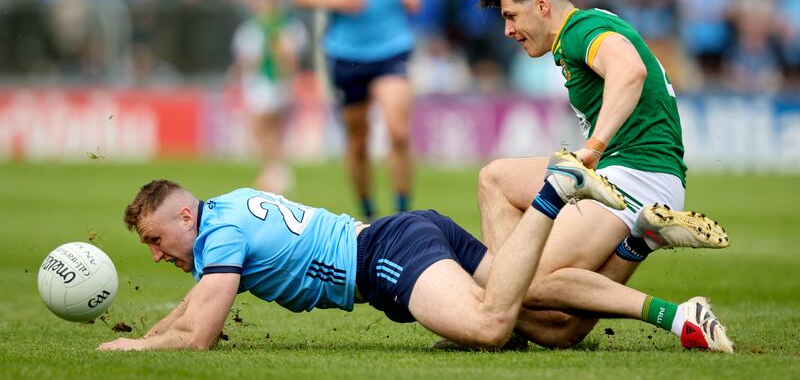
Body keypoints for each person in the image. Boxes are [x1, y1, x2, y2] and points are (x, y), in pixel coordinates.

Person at [98, 150, 652, 351]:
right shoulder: (229, 208)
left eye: (155, 241)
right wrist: (149, 336)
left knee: (490, 327)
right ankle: (637, 241)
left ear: (185, 217)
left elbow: (198, 336)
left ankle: (553, 192)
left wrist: (132, 351)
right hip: (408, 232)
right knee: (554, 327)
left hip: (386, 255)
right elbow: (196, 306)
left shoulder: (220, 237)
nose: (156, 255)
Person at [473, 0, 732, 351]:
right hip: (638, 169)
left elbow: (630, 71)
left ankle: (681, 317)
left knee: (528, 282)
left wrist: (593, 149)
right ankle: (634, 245)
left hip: (637, 173)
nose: (508, 30)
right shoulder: (583, 29)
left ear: (542, 4)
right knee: (495, 180)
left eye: (511, 16)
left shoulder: (580, 29)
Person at [291, 0, 420, 221]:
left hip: (392, 46)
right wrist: (334, 0)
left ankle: (404, 217)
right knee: (358, 140)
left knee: (398, 131)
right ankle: (369, 215)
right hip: (346, 51)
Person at [229, 0, 303, 193]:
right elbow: (245, 60)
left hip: (273, 82)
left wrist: (289, 77)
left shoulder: (284, 27)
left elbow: (290, 58)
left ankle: (276, 170)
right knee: (267, 129)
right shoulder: (254, 28)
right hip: (259, 82)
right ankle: (274, 170)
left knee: (262, 126)